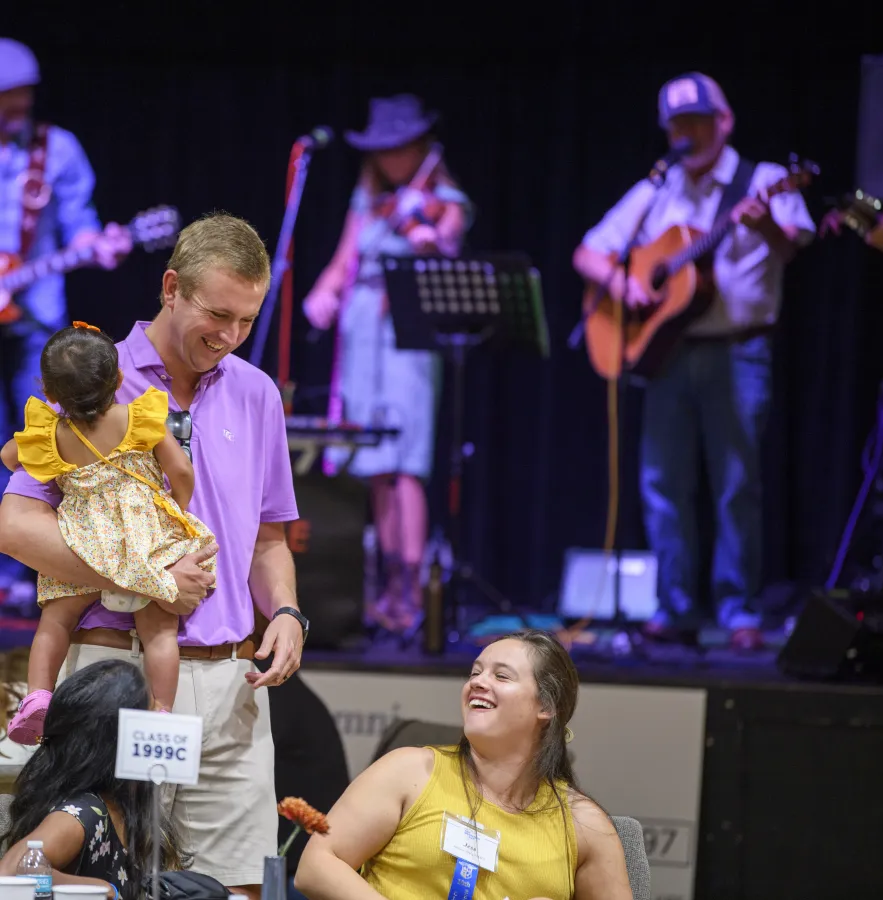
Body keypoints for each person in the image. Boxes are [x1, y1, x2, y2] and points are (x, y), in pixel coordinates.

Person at [0, 212, 308, 900]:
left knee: (238, 890)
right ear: (172, 287)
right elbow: (15, 526)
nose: (229, 337)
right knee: (98, 886)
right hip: (116, 677)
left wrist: (286, 611)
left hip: (231, 690)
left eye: (246, 322)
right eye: (217, 315)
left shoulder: (257, 393)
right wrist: (147, 576)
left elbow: (268, 538)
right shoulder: (89, 378)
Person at [573, 72, 816, 651]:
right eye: (678, 126)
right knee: (663, 484)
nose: (688, 135)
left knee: (736, 484)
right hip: (667, 353)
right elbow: (589, 250)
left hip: (738, 349)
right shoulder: (658, 189)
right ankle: (674, 606)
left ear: (724, 121)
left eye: (698, 122)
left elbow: (798, 244)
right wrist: (623, 283)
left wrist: (766, 227)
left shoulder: (766, 182)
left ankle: (738, 609)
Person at [303, 94, 472, 635]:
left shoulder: (444, 197)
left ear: (420, 146)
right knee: (370, 461)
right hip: (360, 334)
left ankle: (413, 592)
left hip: (405, 331)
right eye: (385, 150)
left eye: (402, 148)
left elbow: (446, 243)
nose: (394, 159)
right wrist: (323, 294)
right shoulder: (367, 201)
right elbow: (342, 262)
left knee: (405, 463)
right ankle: (377, 591)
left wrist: (429, 238)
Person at [1, 322, 217, 743]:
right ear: (118, 379)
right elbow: (180, 471)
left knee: (56, 620)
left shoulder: (51, 434)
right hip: (143, 542)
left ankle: (39, 696)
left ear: (47, 389)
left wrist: (48, 447)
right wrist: (178, 507)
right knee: (158, 631)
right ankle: (161, 713)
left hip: (84, 545)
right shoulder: (139, 418)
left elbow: (10, 456)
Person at [294, 630, 632, 900]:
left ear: (546, 706)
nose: (477, 682)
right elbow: (316, 867)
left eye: (502, 676)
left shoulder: (584, 825)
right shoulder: (409, 772)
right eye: (475, 672)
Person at [0, 37, 132, 612]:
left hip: (35, 316)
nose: (19, 105)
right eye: (8, 96)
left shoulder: (60, 150)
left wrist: (96, 246)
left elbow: (80, 224)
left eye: (24, 94)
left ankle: (34, 569)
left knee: (43, 443)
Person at [0, 658, 182, 900]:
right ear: (117, 735)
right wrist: (99, 888)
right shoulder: (84, 811)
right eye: (151, 709)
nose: (161, 714)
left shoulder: (127, 805)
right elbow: (12, 872)